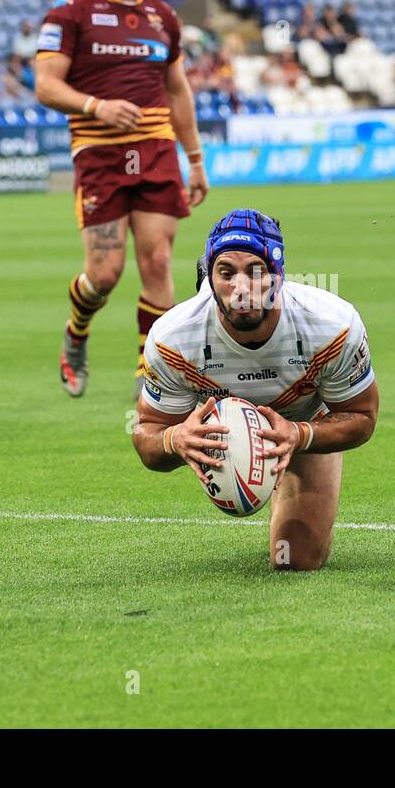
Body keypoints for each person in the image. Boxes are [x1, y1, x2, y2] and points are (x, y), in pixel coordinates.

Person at [132, 210, 378, 571]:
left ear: (278, 277)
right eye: (226, 273)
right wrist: (175, 440)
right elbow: (146, 435)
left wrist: (300, 435)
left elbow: (363, 418)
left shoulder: (332, 325)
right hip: (229, 429)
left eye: (256, 272)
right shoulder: (172, 338)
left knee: (296, 559)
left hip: (306, 421)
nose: (242, 289)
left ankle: (293, 473)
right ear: (211, 279)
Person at [33, 0, 209, 399]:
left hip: (155, 152)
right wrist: (97, 106)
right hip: (100, 156)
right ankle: (76, 331)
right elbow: (46, 85)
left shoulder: (163, 18)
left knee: (157, 262)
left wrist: (194, 159)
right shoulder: (71, 11)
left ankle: (150, 374)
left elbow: (178, 92)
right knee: (105, 275)